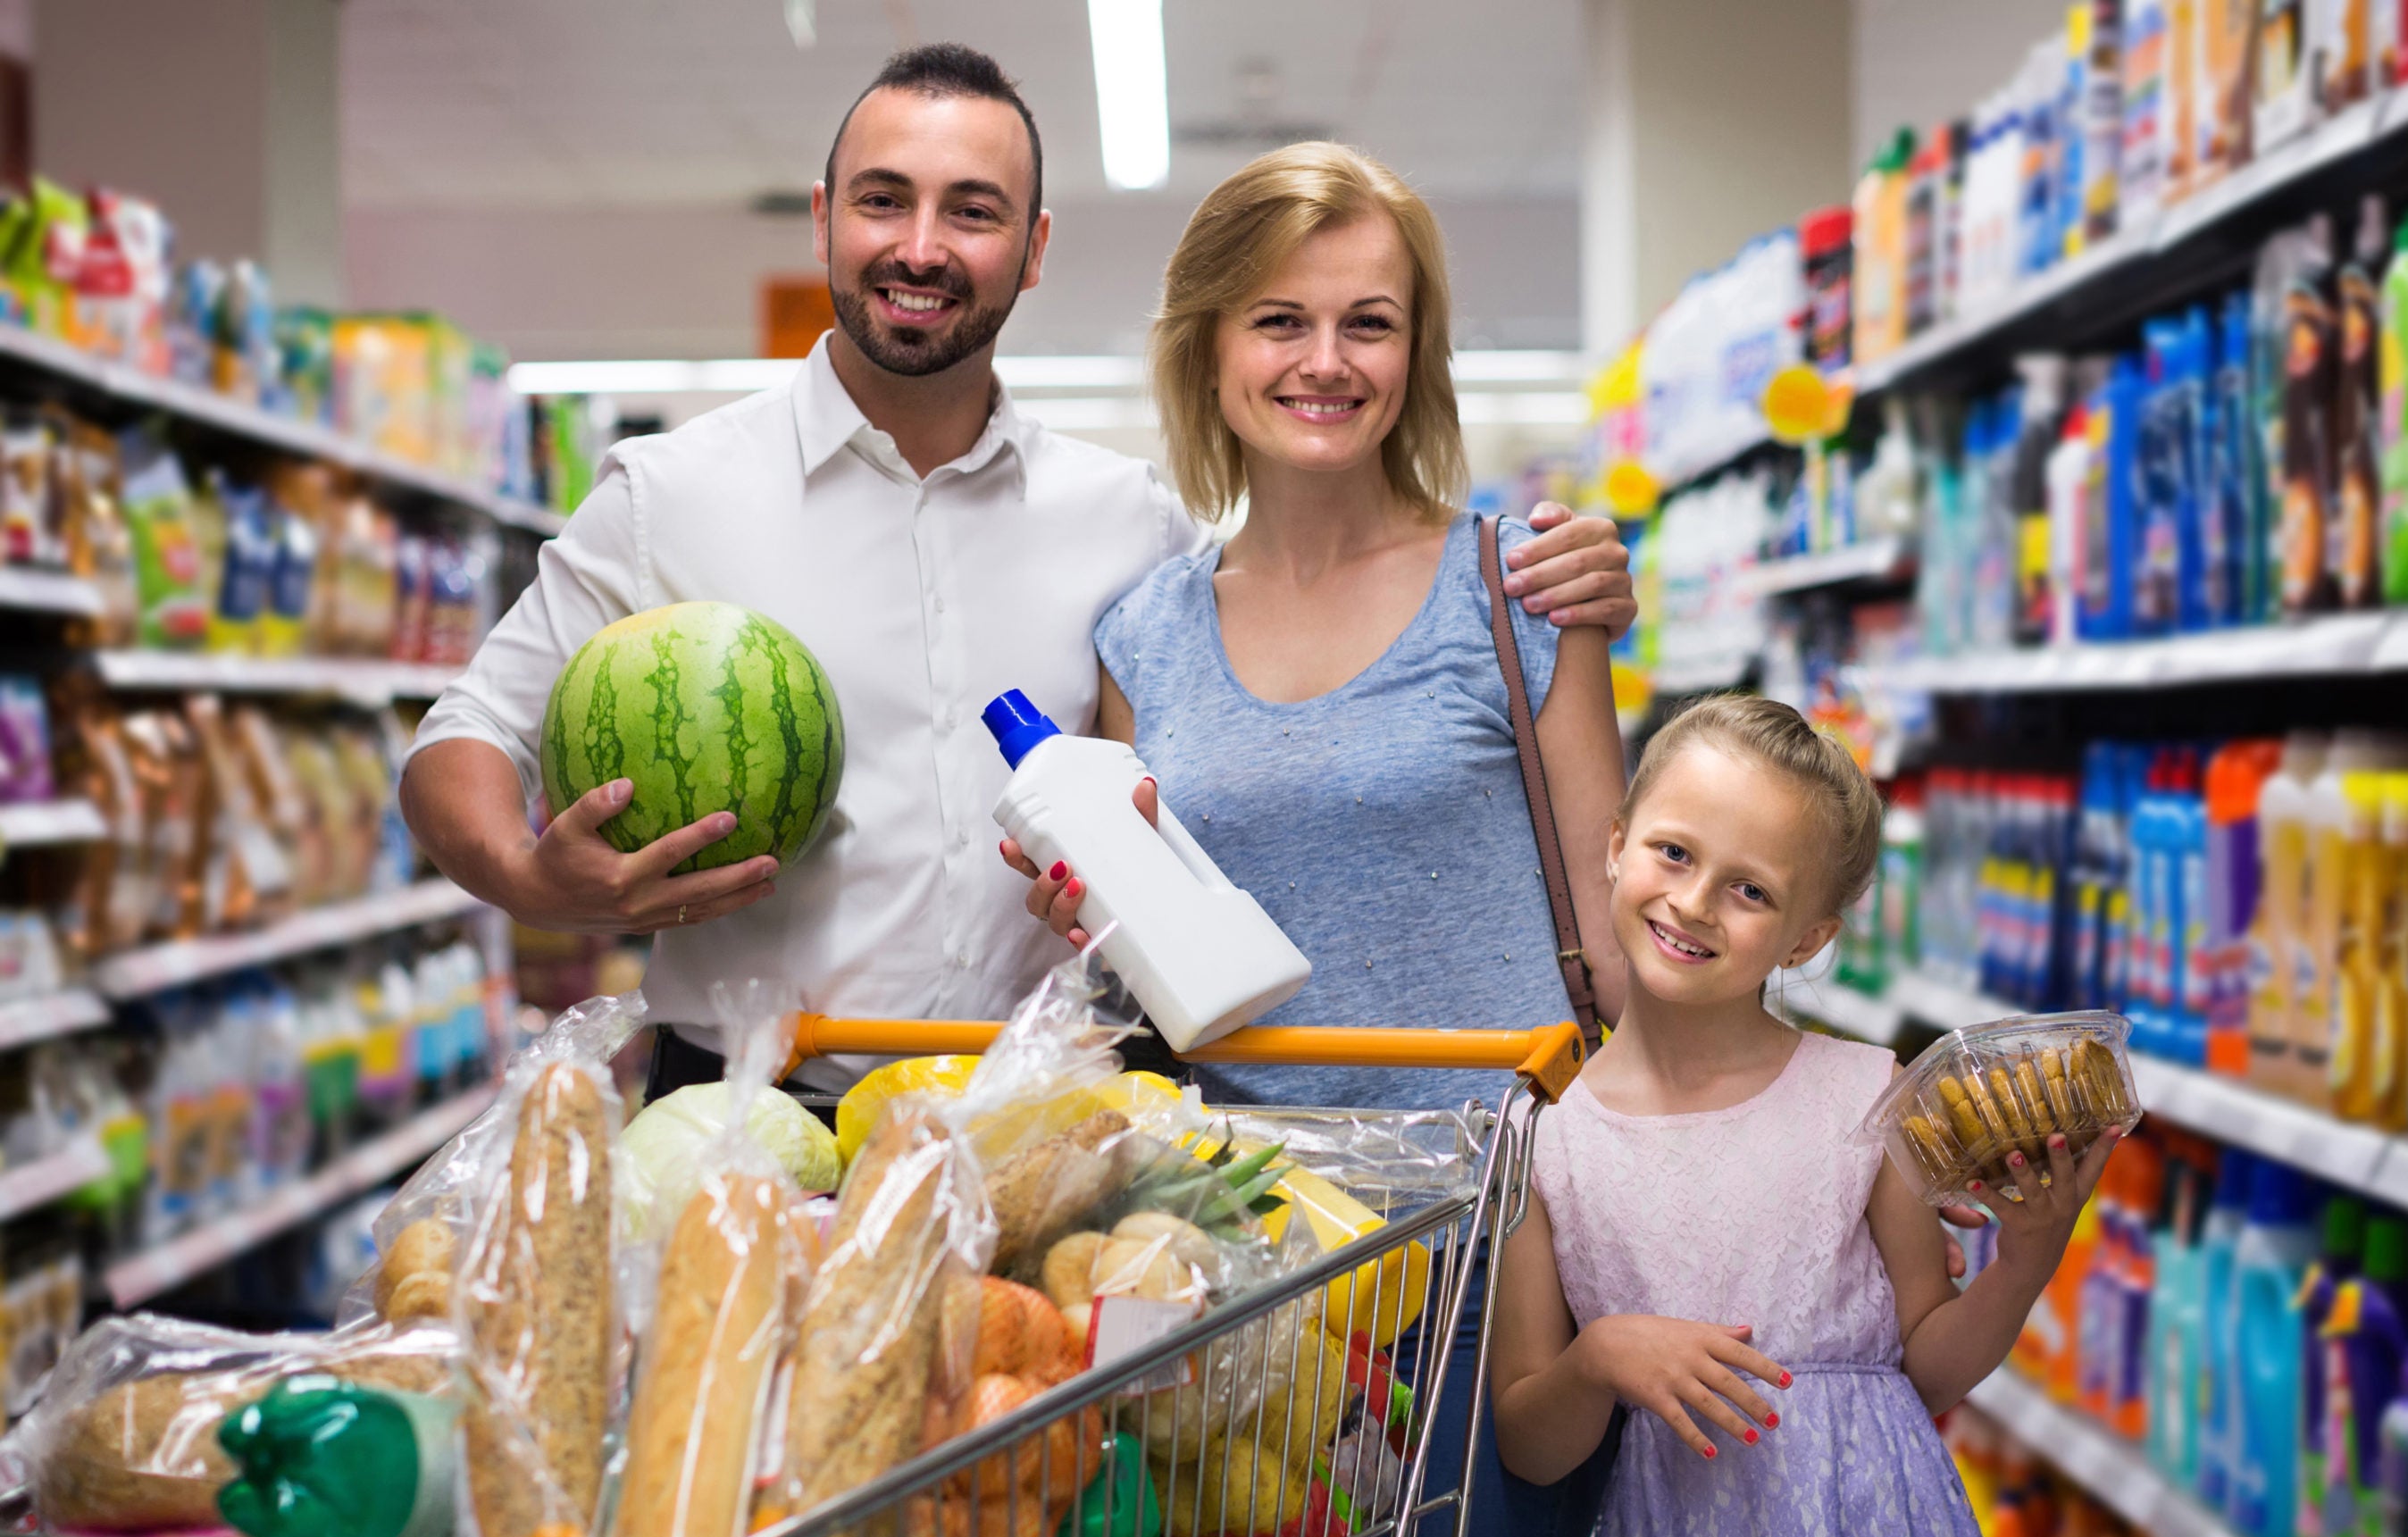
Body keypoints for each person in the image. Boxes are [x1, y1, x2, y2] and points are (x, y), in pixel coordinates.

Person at [397, 45, 1632, 1094]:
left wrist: (1554, 584)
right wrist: (532, 877)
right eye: (885, 200)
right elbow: (466, 732)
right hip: (755, 1106)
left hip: (1047, 1111)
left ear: (1032, 249)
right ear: (825, 217)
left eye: (973, 211)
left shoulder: (1131, 531)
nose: (922, 247)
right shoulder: (671, 492)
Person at [1001, 143, 1626, 1537]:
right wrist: (1089, 905)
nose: (1327, 361)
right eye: (1280, 318)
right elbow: (1157, 962)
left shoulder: (1515, 586)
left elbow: (1622, 932)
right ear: (1208, 346)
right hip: (1236, 1265)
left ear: (1416, 355)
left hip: (1499, 1253)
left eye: (1372, 320)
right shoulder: (1142, 631)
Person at [1492, 696, 2117, 1537]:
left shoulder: (1865, 1095)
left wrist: (2030, 1257)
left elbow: (1929, 1363)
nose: (1694, 903)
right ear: (1614, 845)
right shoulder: (1548, 1143)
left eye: (1749, 889)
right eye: (1674, 852)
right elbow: (1529, 1441)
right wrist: (1602, 1355)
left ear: (1803, 937)